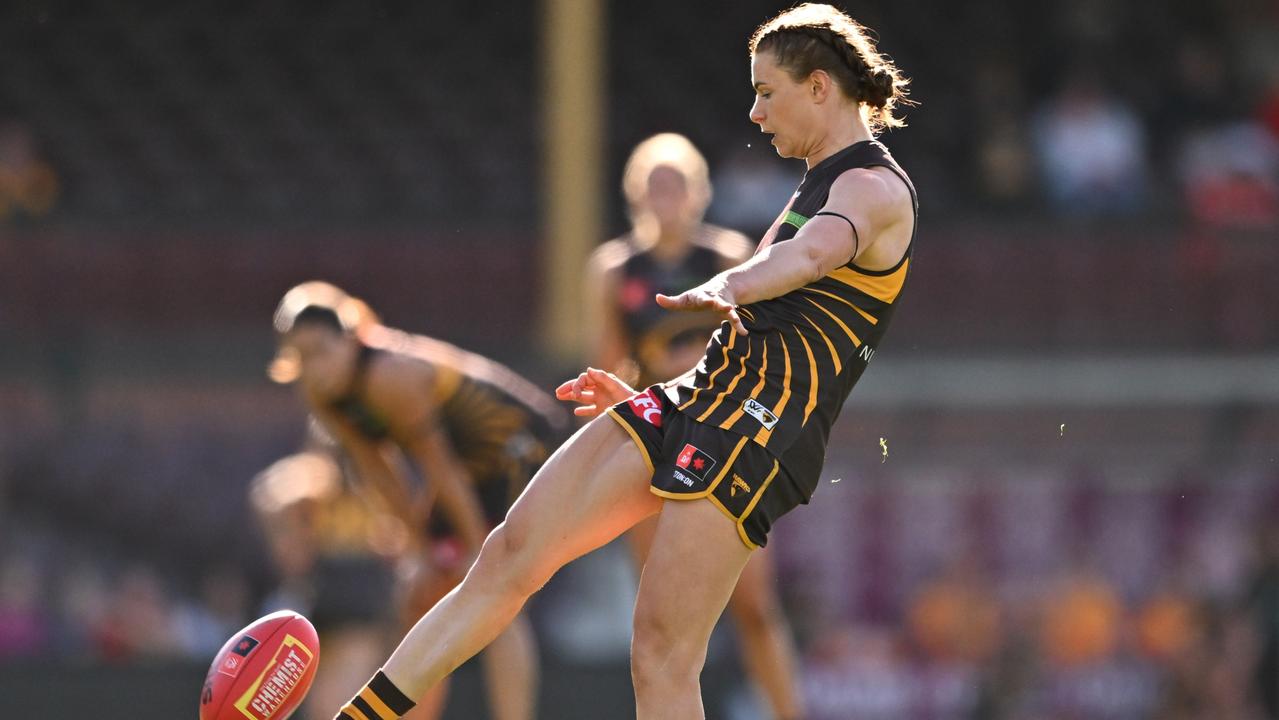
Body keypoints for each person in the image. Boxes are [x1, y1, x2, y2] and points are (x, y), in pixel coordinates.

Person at [334, 4, 917, 718]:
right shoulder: (811, 183)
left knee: (662, 652)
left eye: (768, 91)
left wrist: (729, 285)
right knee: (508, 554)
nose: (755, 111)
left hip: (754, 430)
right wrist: (647, 386)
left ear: (820, 87)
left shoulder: (873, 189)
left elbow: (811, 256)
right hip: (693, 397)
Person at [272, 281, 570, 720]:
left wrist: (475, 550)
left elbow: (440, 467)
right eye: (302, 356)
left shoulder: (390, 376)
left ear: (350, 339)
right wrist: (416, 548)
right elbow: (380, 471)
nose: (313, 366)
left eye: (321, 351)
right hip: (464, 470)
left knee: (497, 590)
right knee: (421, 599)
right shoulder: (321, 391)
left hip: (515, 446)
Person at [587, 132, 805, 719]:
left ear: (698, 193)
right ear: (637, 194)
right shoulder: (614, 270)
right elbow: (611, 369)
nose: (666, 196)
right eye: (655, 184)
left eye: (676, 183)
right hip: (657, 442)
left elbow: (758, 356)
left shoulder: (727, 257)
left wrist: (690, 369)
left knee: (755, 607)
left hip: (725, 438)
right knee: (660, 620)